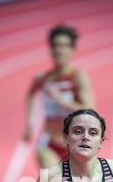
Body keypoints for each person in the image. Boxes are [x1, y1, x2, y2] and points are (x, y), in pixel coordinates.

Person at [23, 24, 95, 168]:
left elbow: (91, 111)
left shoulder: (77, 77)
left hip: (76, 146)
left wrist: (61, 100)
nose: (58, 50)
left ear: (72, 50)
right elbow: (30, 94)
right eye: (55, 45)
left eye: (63, 46)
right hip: (48, 143)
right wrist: (29, 123)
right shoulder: (43, 78)